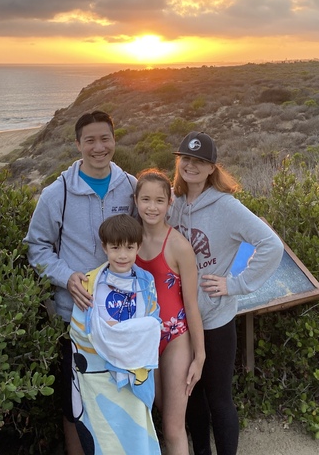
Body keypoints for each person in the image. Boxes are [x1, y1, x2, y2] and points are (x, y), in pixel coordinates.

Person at [24, 110, 137, 455]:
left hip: (122, 314)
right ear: (78, 144)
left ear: (114, 140)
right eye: (90, 140)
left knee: (122, 391)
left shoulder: (131, 187)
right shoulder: (57, 193)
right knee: (74, 400)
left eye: (105, 138)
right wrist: (66, 276)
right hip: (73, 315)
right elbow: (36, 247)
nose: (98, 147)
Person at [167, 132, 284, 455]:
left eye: (199, 161)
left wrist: (235, 284)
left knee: (219, 399)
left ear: (211, 168)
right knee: (192, 396)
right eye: (186, 159)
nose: (191, 165)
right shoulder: (174, 205)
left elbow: (271, 245)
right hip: (181, 320)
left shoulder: (227, 207)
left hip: (216, 319)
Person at [69, 214, 162, 454]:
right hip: (99, 377)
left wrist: (119, 338)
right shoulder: (90, 281)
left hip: (133, 374)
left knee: (136, 434)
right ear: (104, 247)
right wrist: (118, 340)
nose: (122, 255)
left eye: (130, 247)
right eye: (115, 247)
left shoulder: (145, 281)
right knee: (106, 438)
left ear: (138, 247)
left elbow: (153, 324)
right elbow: (79, 330)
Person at [134, 169, 205, 455]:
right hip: (143, 340)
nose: (152, 207)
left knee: (174, 426)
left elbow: (191, 305)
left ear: (169, 203)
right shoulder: (130, 241)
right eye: (146, 199)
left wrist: (199, 356)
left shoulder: (179, 246)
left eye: (159, 200)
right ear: (135, 200)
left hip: (175, 338)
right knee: (157, 414)